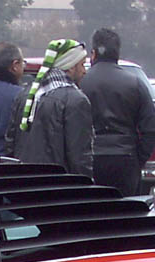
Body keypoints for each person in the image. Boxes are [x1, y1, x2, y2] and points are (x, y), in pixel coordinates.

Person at [79, 28, 155, 195]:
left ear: (93, 54)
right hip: (126, 157)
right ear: (117, 53)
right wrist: (138, 158)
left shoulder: (80, 84)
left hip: (90, 158)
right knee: (126, 213)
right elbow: (151, 130)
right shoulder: (135, 84)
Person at [5, 38, 93, 176]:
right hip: (57, 186)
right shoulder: (76, 100)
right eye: (82, 65)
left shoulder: (26, 95)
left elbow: (10, 144)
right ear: (70, 66)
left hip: (23, 182)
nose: (84, 71)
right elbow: (79, 156)